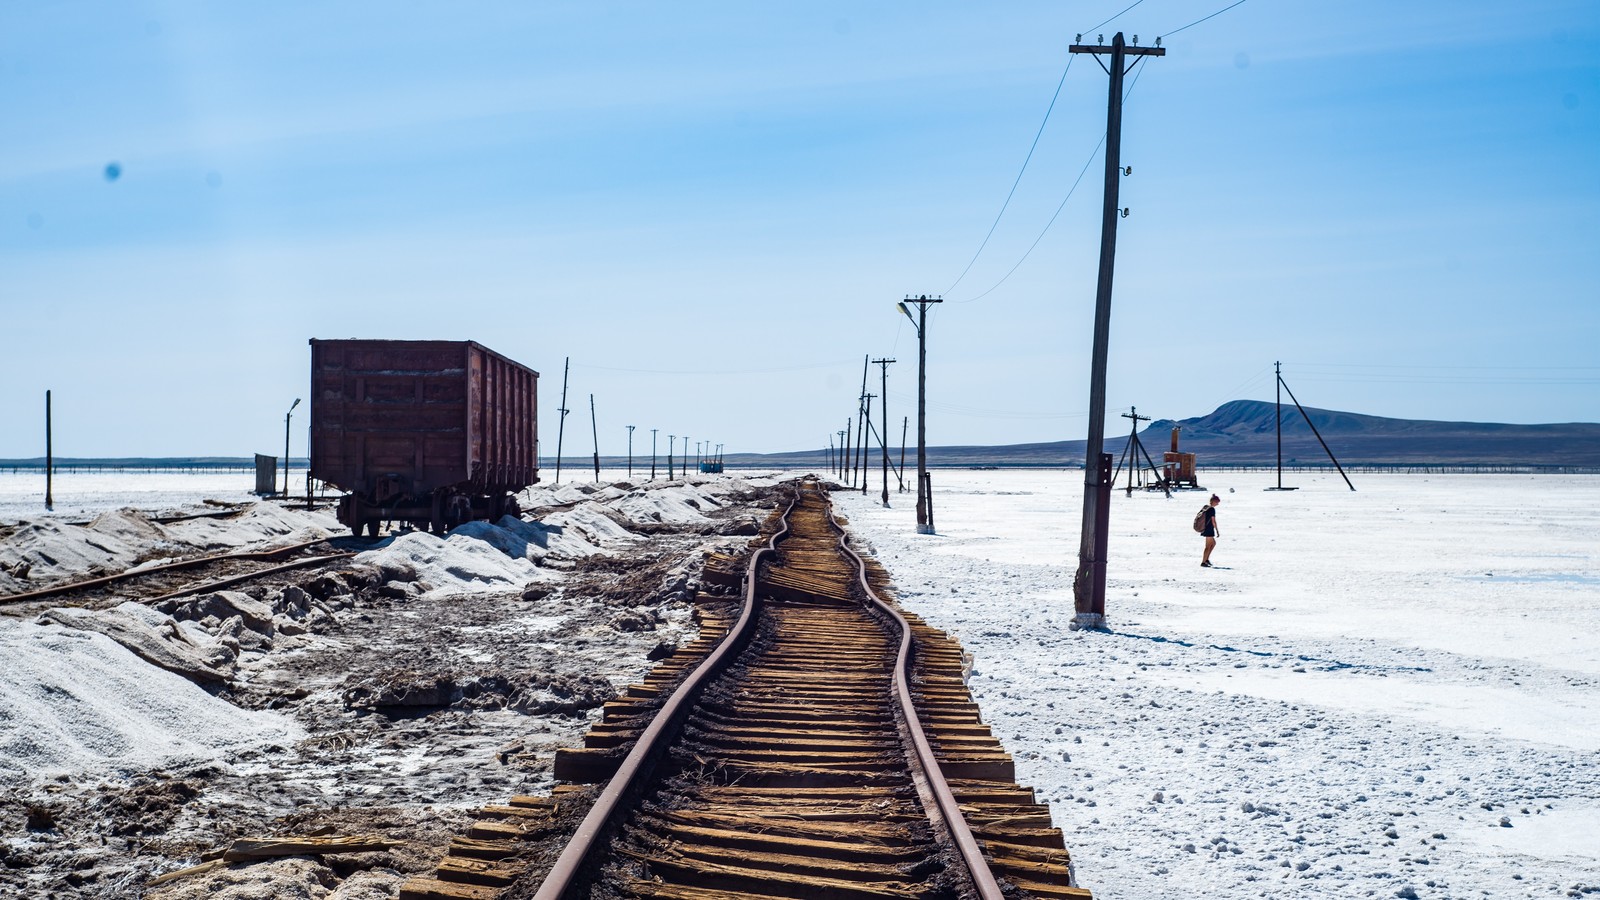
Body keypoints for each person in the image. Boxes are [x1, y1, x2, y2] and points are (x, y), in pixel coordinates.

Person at [1200, 494, 1220, 567]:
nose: (1218, 504)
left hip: (1206, 529)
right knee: (1208, 546)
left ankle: (1206, 559)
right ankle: (1203, 562)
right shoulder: (1211, 509)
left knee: (1213, 543)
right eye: (1217, 502)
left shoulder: (1206, 507)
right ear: (1214, 501)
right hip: (1209, 529)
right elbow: (1213, 521)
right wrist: (1217, 530)